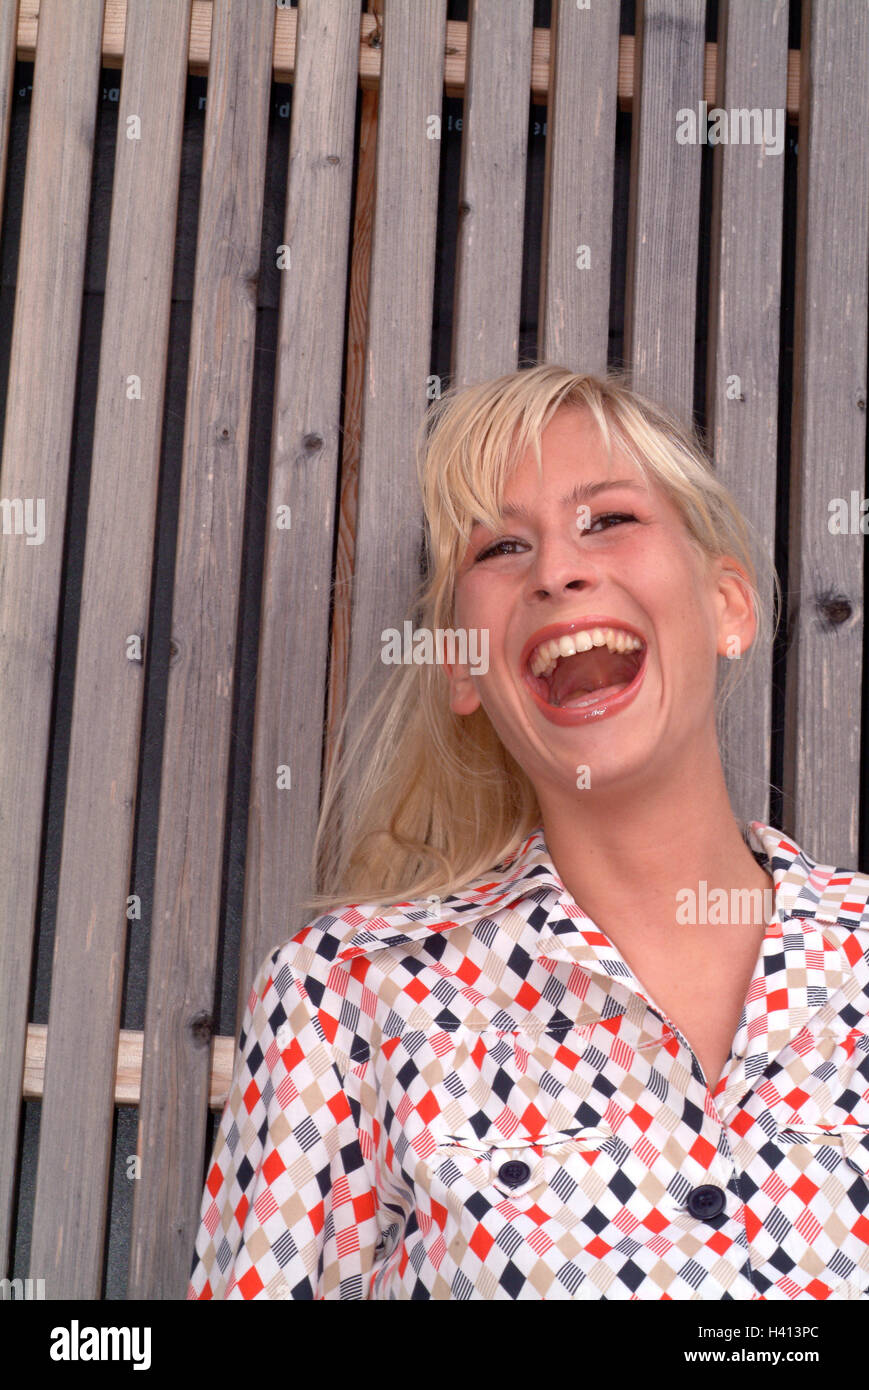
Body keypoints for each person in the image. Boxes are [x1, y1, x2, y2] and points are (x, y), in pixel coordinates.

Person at [187, 365, 869, 1300]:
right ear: (464, 671)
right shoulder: (343, 993)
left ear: (727, 607)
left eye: (610, 520)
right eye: (501, 546)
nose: (556, 570)